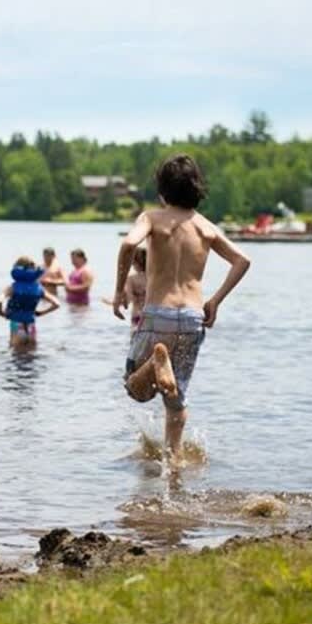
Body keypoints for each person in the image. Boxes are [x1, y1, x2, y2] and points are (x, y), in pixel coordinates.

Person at [114, 154, 251, 460]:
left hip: (158, 313)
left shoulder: (151, 218)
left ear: (162, 189)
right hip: (192, 318)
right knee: (175, 400)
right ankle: (173, 464)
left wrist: (118, 291)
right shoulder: (205, 227)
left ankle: (154, 363)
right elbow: (242, 260)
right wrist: (214, 300)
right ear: (196, 188)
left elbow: (127, 245)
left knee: (135, 388)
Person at [0, 256, 61, 349]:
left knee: (16, 359)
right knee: (31, 358)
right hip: (31, 327)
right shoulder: (38, 288)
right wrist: (41, 313)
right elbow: (57, 304)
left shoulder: (13, 287)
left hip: (17, 326)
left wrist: (1, 313)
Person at [125, 247, 148, 329]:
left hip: (138, 314)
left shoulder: (132, 278)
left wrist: (114, 302)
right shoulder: (155, 278)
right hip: (153, 315)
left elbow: (128, 299)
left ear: (134, 262)